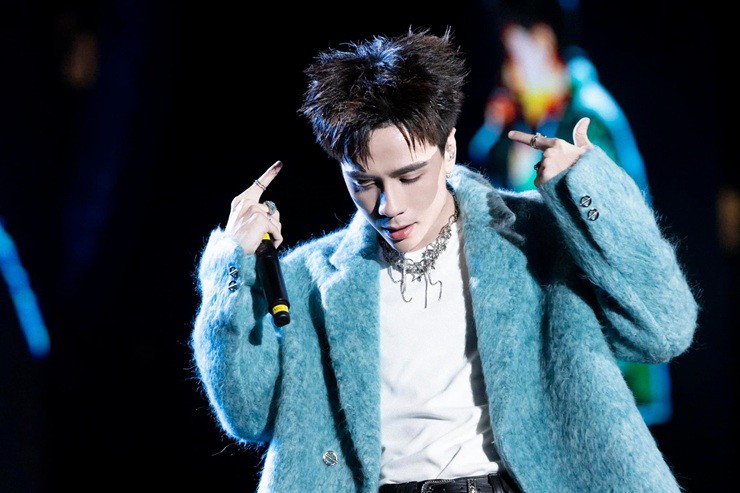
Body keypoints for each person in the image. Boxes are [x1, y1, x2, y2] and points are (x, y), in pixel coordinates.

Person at [190, 28, 699, 493]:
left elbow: (664, 330)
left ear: (449, 149)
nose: (389, 206)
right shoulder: (307, 281)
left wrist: (587, 188)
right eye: (364, 183)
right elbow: (246, 414)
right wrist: (232, 266)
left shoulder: (536, 237)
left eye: (409, 176)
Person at [466, 2, 671, 427]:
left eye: (514, 53)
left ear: (544, 41)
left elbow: (609, 227)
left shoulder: (589, 117)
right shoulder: (528, 119)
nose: (508, 69)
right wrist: (493, 135)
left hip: (600, 341)